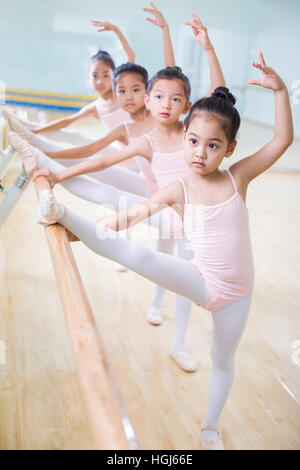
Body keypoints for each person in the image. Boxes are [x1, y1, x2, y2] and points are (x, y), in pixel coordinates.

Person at [31, 53, 293, 449]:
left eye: (213, 145)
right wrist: (90, 229)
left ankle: (210, 426)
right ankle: (64, 212)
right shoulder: (178, 189)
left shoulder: (239, 178)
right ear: (184, 134)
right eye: (192, 142)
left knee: (222, 360)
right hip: (204, 281)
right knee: (139, 257)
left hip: (238, 295)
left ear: (230, 148)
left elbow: (282, 140)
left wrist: (281, 92)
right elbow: (131, 215)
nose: (199, 153)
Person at [8, 13, 225, 373]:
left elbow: (213, 95)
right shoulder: (142, 134)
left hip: (193, 213)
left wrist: (201, 45)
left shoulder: (188, 127)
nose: (163, 102)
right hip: (159, 200)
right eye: (157, 96)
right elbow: (93, 159)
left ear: (184, 104)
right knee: (111, 192)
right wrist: (57, 172)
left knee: (185, 273)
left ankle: (177, 342)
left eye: (170, 98)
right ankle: (39, 155)